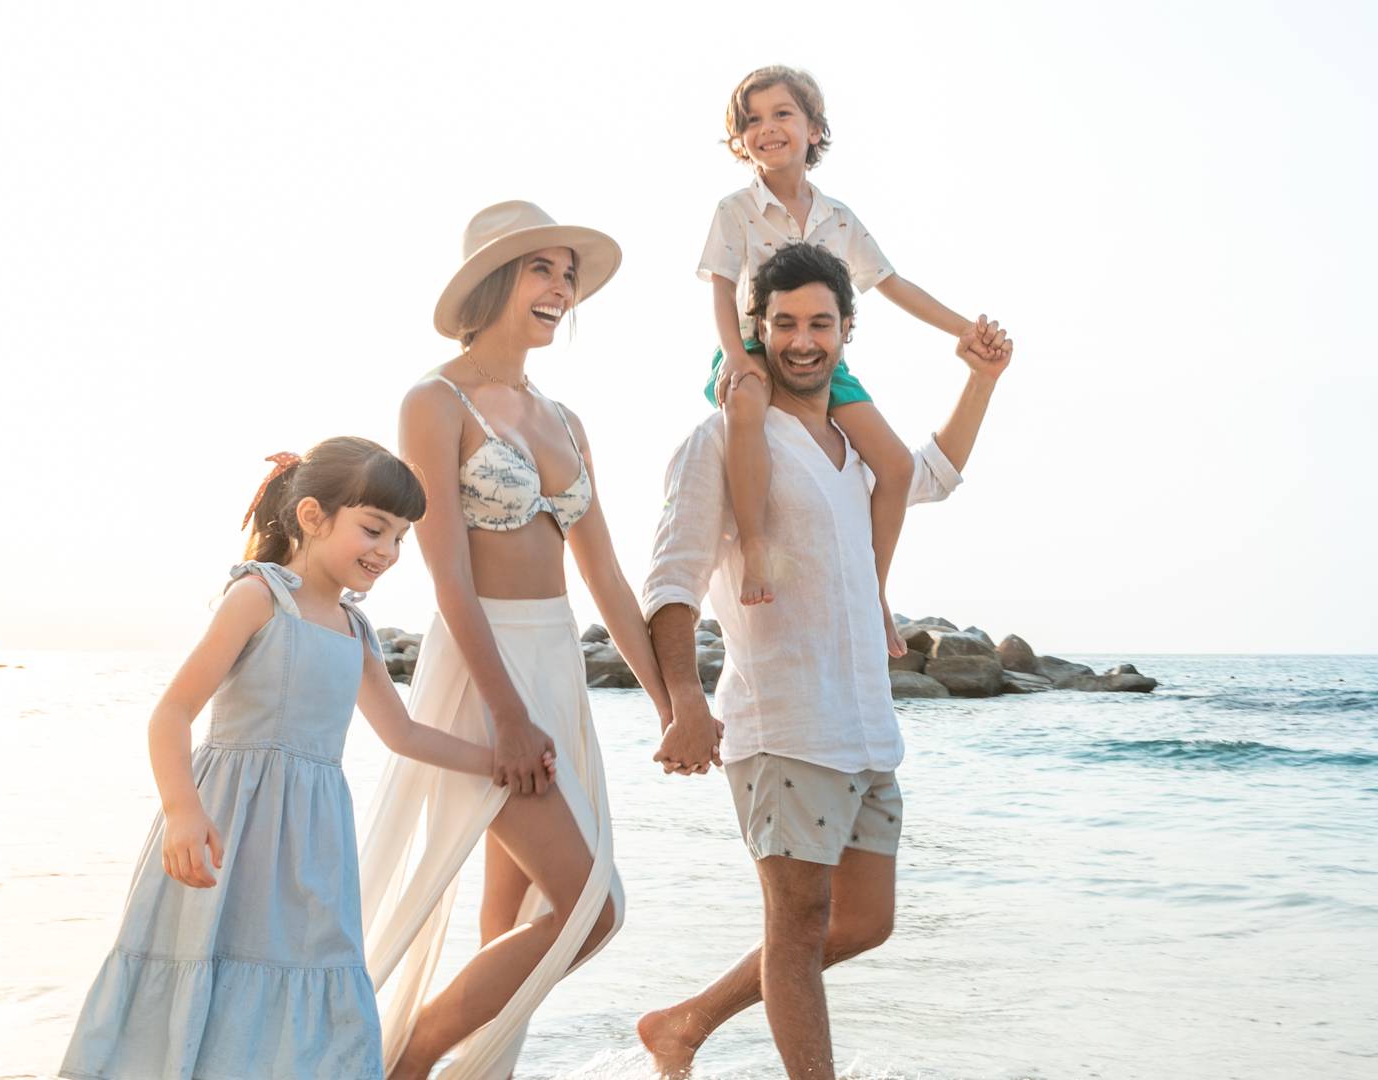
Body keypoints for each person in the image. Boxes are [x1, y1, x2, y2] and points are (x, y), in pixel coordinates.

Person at [639, 242, 1011, 1079]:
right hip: (782, 721)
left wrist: (981, 379)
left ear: (848, 331)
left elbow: (934, 476)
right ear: (755, 329)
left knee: (863, 923)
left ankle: (684, 1024)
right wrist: (684, 703)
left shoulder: (854, 445)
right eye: (784, 324)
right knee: (798, 925)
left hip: (865, 725)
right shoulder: (721, 439)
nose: (802, 341)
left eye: (820, 323)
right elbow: (670, 580)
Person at [358, 201, 683, 1080]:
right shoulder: (435, 400)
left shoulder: (566, 420)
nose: (560, 288)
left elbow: (607, 577)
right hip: (483, 670)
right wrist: (504, 716)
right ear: (497, 281)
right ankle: (408, 1061)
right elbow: (448, 576)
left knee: (508, 921)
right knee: (591, 907)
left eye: (568, 274)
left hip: (556, 666)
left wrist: (668, 705)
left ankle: (475, 1071)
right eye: (542, 269)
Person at [59, 438, 499, 1080]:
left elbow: (403, 734)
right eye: (374, 529)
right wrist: (183, 812)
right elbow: (172, 714)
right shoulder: (259, 597)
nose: (387, 552)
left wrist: (498, 760)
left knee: (320, 970)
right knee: (204, 964)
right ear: (314, 517)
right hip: (226, 827)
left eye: (400, 538)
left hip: (313, 842)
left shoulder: (355, 628)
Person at [698, 64, 1003, 658]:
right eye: (752, 120)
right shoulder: (734, 210)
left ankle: (874, 590)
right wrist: (736, 356)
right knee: (745, 404)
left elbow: (892, 283)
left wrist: (964, 328)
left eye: (782, 113)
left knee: (892, 465)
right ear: (740, 141)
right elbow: (718, 286)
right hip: (755, 347)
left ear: (814, 129)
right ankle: (756, 542)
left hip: (823, 364)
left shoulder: (839, 218)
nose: (767, 128)